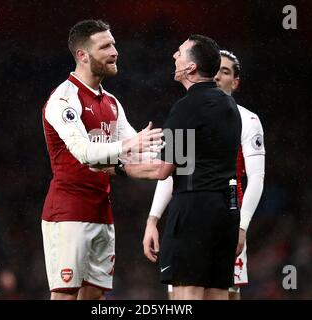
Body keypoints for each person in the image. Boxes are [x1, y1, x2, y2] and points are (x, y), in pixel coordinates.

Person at [41, 19, 163, 300]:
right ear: (83, 55)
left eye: (114, 44)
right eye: (105, 46)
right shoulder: (63, 100)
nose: (115, 51)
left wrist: (191, 153)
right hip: (68, 212)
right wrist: (130, 144)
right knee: (65, 296)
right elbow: (84, 152)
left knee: (94, 297)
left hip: (101, 211)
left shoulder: (110, 102)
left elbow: (142, 150)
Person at [122, 35, 242, 300]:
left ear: (191, 68)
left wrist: (121, 168)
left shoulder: (186, 107)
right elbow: (192, 157)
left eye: (180, 52)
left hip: (194, 210)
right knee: (218, 293)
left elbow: (163, 170)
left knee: (186, 295)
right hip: (227, 212)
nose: (174, 56)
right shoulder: (230, 105)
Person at [142, 50, 266, 300]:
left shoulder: (246, 120)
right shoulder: (190, 112)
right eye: (216, 70)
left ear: (236, 82)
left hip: (226, 218)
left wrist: (242, 227)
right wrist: (153, 218)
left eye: (226, 72)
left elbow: (256, 179)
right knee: (183, 294)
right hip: (192, 216)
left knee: (221, 294)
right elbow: (175, 167)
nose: (219, 76)